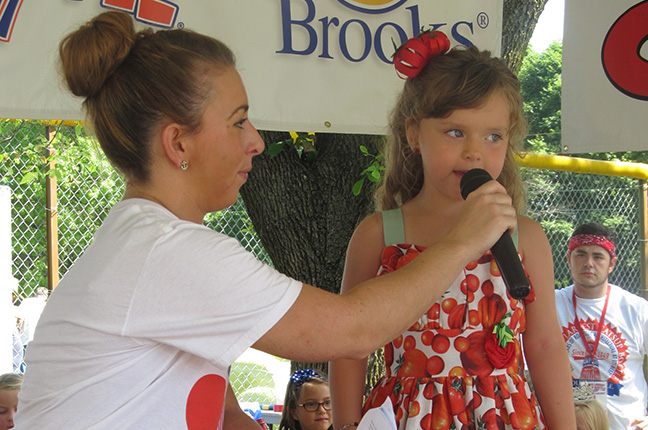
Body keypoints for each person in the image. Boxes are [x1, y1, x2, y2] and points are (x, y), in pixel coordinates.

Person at [15, 11, 518, 430]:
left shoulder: (150, 242)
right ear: (178, 144)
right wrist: (460, 243)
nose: (255, 140)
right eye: (238, 121)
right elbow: (353, 331)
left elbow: (224, 410)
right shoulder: (167, 252)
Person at [329, 31, 576, 430]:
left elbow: (545, 344)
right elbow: (346, 347)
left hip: (506, 417)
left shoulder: (524, 238)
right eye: (455, 132)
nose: (474, 151)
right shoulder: (380, 236)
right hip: (410, 416)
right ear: (413, 134)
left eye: (493, 136)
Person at [555, 222, 648, 430]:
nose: (589, 263)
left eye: (598, 256)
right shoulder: (550, 306)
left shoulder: (637, 310)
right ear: (569, 259)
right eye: (580, 254)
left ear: (611, 263)